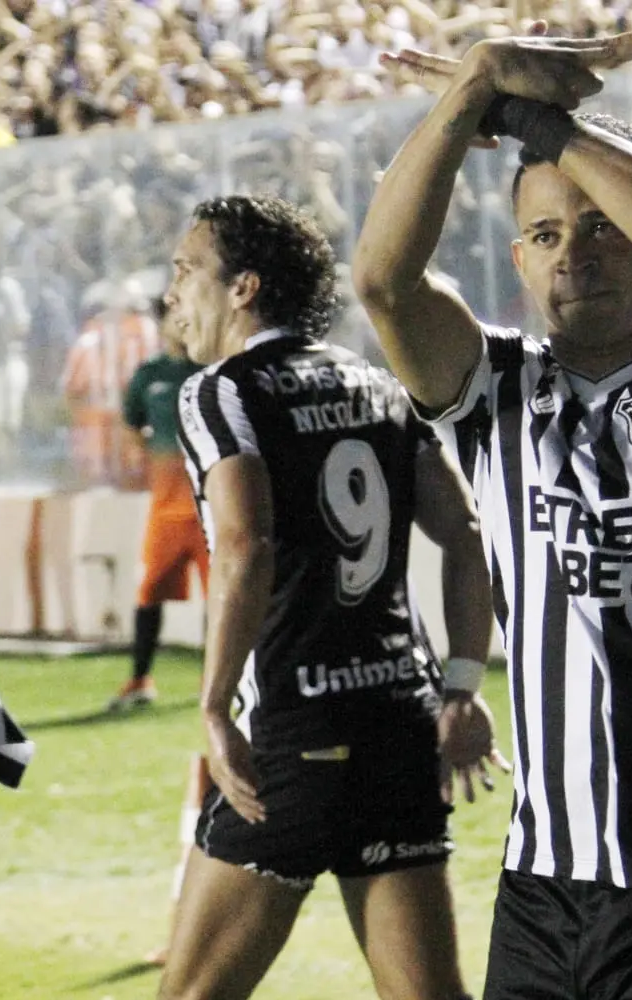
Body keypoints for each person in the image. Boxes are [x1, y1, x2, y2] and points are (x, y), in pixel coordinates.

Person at [354, 31, 632, 1000]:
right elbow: (383, 282)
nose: (576, 255)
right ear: (519, 258)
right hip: (542, 883)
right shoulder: (498, 387)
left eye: (602, 226)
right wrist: (472, 84)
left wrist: (527, 117)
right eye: (548, 235)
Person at [157, 194, 499, 1000]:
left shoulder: (220, 392)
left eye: (186, 270)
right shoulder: (376, 383)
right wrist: (461, 684)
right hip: (399, 727)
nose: (171, 293)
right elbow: (465, 531)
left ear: (243, 288)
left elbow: (245, 544)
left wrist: (214, 707)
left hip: (294, 736)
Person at [108, 300, 207, 711]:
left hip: (210, 508)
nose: (182, 323)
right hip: (165, 510)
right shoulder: (149, 375)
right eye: (174, 317)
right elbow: (131, 423)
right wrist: (148, 461)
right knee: (149, 592)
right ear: (162, 325)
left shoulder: (212, 369)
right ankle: (140, 679)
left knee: (222, 595)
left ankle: (218, 681)